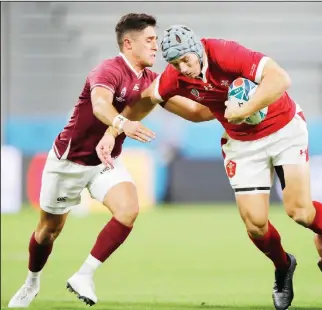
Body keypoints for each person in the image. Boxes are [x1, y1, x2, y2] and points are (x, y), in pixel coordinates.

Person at [97, 24, 322, 310]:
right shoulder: (175, 76)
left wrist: (244, 109)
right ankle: (283, 265)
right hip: (242, 144)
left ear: (197, 49)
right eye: (175, 64)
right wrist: (114, 130)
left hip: (284, 129)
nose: (183, 68)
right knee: (256, 224)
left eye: (186, 60)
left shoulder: (224, 52)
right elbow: (149, 99)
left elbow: (280, 79)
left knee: (299, 212)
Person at [8, 14, 212, 308]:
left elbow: (193, 112)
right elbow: (100, 104)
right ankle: (31, 283)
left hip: (107, 160)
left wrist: (228, 105)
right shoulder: (108, 70)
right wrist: (123, 124)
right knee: (48, 231)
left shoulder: (151, 81)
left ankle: (84, 275)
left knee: (128, 210)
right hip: (70, 161)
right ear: (129, 44)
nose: (157, 46)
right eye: (150, 40)